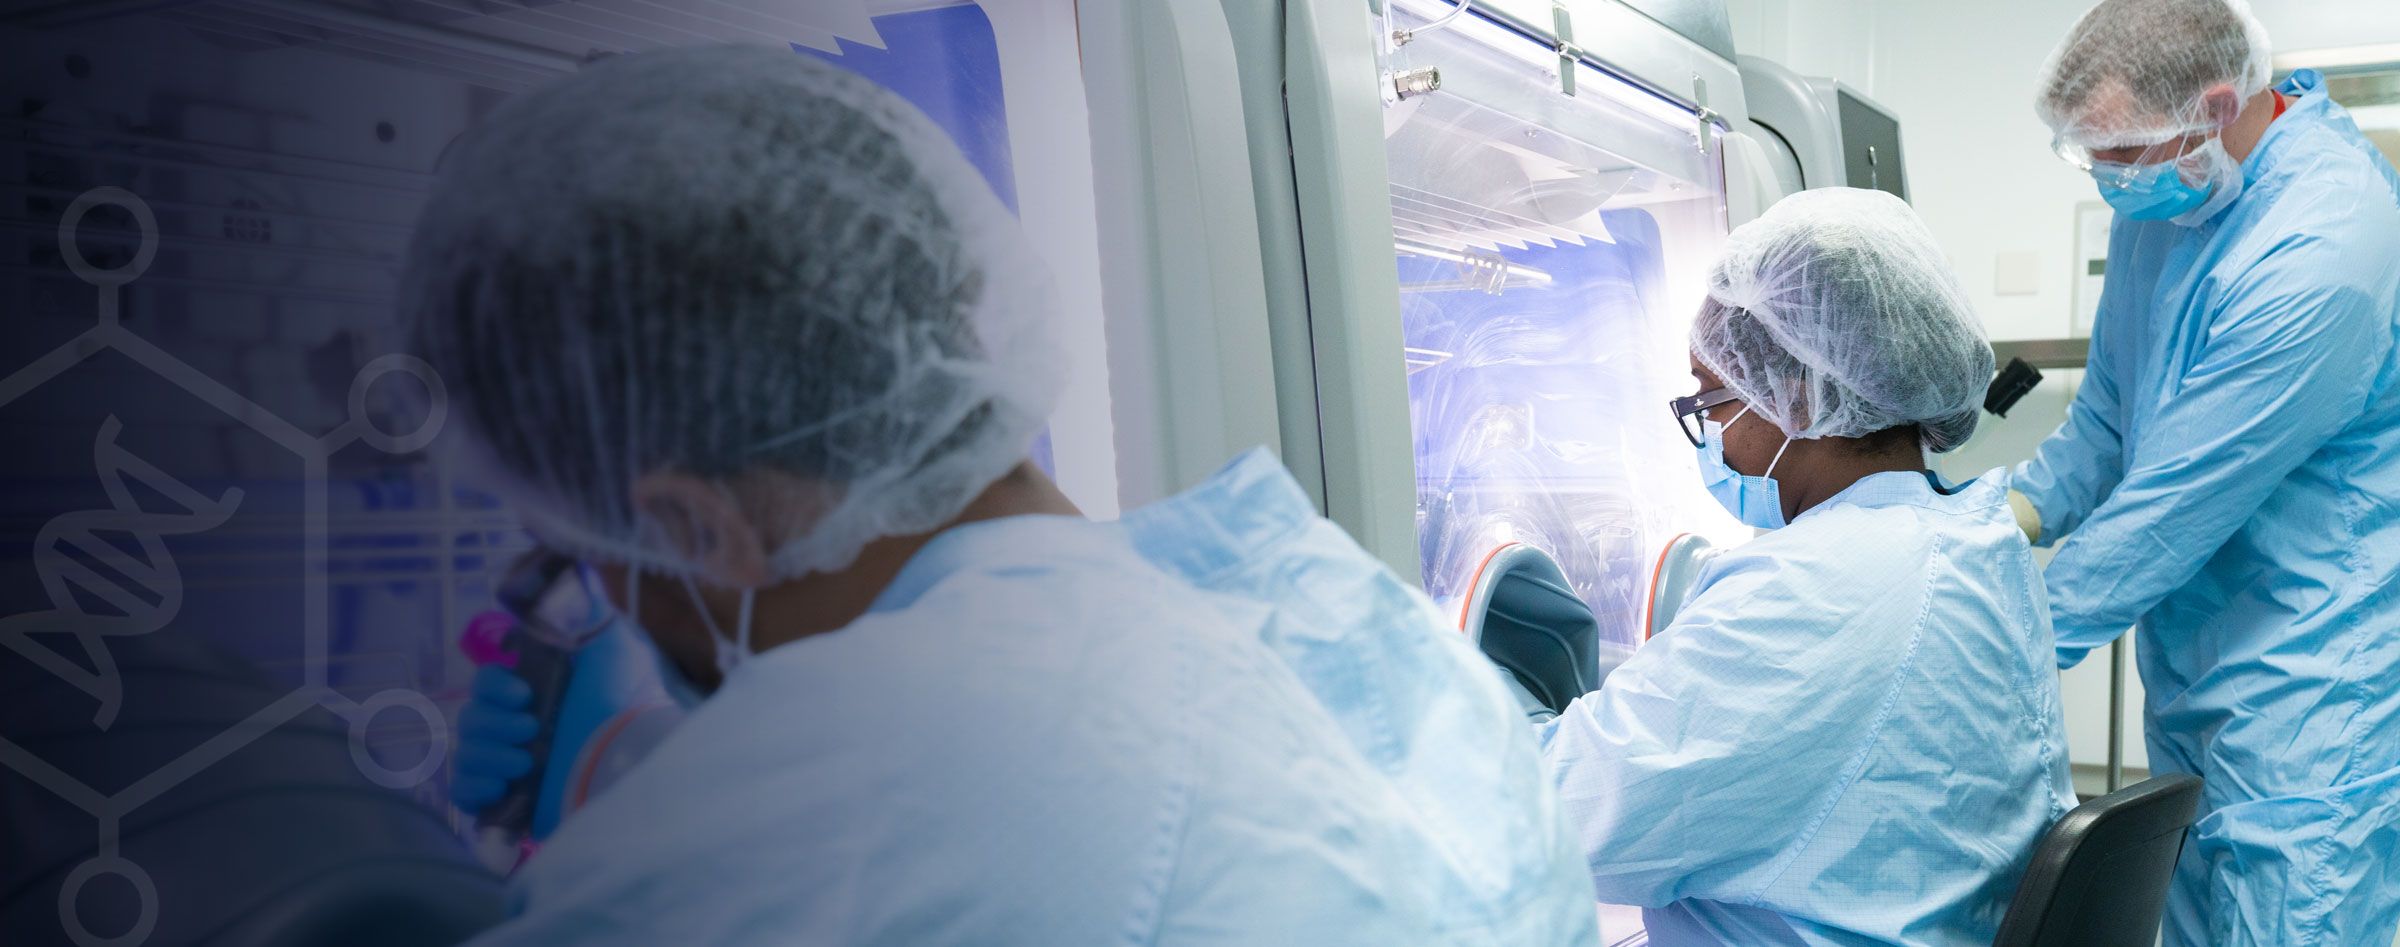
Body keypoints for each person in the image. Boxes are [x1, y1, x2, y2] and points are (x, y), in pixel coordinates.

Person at [411, 46, 1598, 944]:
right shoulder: (1345, 623)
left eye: (581, 549)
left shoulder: (804, 803)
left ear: (689, 525)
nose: (603, 595)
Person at [1541, 188, 2075, 945]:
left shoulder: (1807, 592)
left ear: (1798, 397)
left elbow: (1562, 818)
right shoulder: (1977, 539)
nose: (1709, 435)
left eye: (1712, 400)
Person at [2016, 1, 2400, 941]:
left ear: (2219, 106)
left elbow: (2172, 507)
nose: (2109, 176)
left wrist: (1994, 640)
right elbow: (2108, 419)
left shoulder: (2327, 240)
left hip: (2311, 683)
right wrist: (2000, 516)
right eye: (2090, 155)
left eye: (2120, 152)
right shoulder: (2174, 195)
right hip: (2196, 669)